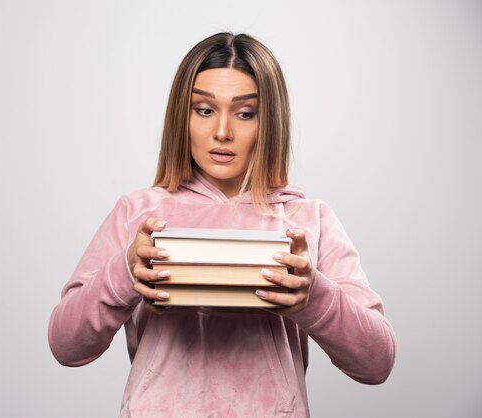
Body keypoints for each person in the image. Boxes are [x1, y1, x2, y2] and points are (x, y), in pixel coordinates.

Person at [48, 32, 396, 417]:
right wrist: (123, 273)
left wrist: (313, 297)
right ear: (183, 115)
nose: (223, 132)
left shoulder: (308, 219)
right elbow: (66, 346)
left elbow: (377, 363)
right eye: (204, 109)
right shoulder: (138, 213)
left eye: (245, 113)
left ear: (270, 122)